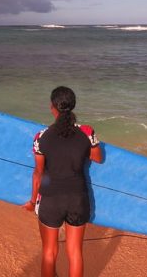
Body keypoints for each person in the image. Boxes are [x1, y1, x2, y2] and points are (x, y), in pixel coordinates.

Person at [23, 86, 103, 277]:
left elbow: (38, 173)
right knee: (75, 252)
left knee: (49, 252)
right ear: (72, 106)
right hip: (77, 198)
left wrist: (33, 201)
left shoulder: (41, 137)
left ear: (53, 107)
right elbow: (98, 157)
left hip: (51, 200)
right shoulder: (87, 132)